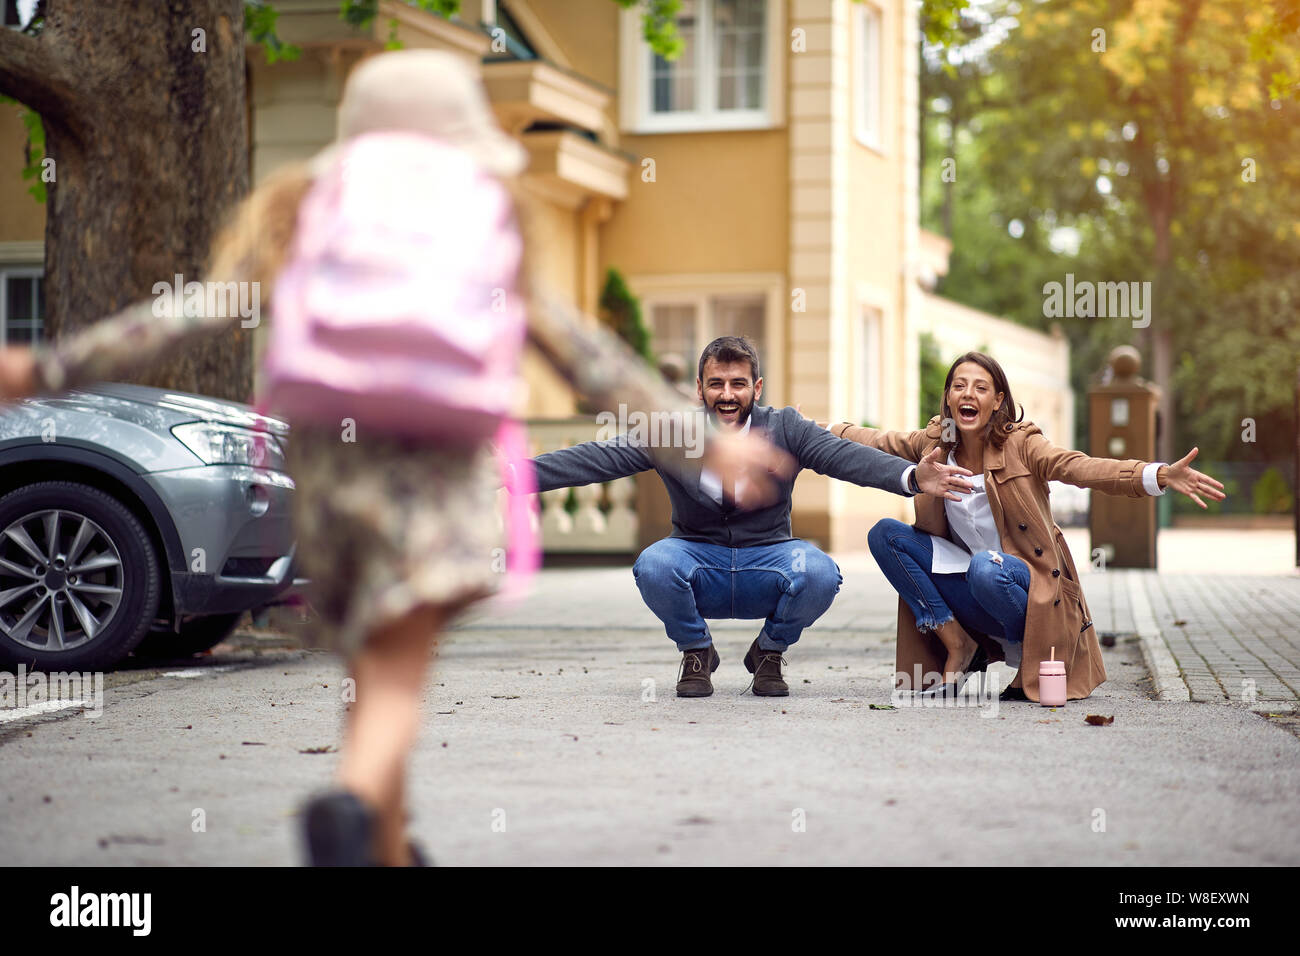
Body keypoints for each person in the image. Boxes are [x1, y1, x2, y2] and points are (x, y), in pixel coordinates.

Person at [0, 51, 794, 865]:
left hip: (326, 466)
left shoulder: (309, 215)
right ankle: (350, 802)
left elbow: (190, 313)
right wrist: (703, 441)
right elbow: (586, 356)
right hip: (439, 464)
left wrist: (46, 370)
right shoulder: (483, 222)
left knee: (369, 663)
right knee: (398, 670)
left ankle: (382, 842)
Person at [532, 335, 976, 698]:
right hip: (696, 558)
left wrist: (912, 478)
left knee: (820, 572)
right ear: (700, 388)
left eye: (738, 384)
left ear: (757, 388)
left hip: (769, 558)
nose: (727, 395)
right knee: (654, 564)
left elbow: (844, 458)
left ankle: (768, 652)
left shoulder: (785, 428)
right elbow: (594, 458)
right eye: (716, 384)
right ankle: (697, 651)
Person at [825, 350, 1225, 702]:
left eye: (981, 388)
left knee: (988, 568)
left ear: (998, 400)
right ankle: (958, 644)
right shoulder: (936, 442)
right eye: (959, 386)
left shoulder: (1021, 443)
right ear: (948, 397)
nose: (968, 394)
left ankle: (1029, 658)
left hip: (1021, 583)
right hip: (969, 582)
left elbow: (1078, 466)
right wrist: (813, 433)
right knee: (885, 535)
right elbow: (877, 442)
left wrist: (1154, 475)